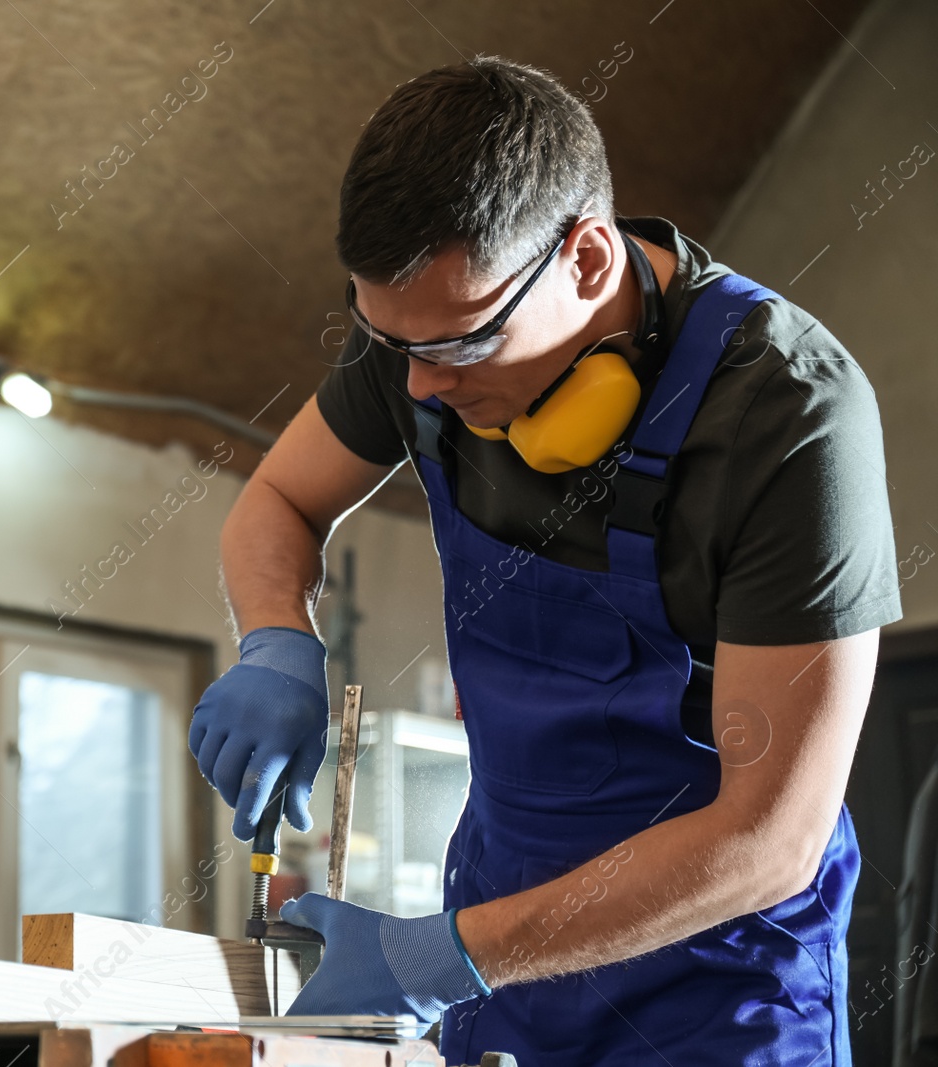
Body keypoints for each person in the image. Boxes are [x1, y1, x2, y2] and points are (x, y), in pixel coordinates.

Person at [190, 56, 899, 1063]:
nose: (422, 386)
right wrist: (273, 640)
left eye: (463, 345)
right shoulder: (426, 331)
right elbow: (280, 497)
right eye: (391, 344)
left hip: (713, 987)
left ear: (589, 261)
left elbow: (769, 839)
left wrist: (445, 958)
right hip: (496, 949)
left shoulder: (784, 411)